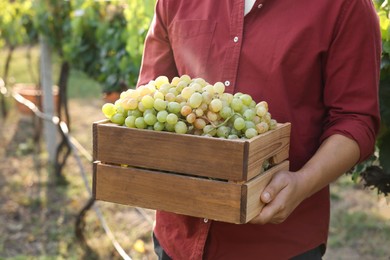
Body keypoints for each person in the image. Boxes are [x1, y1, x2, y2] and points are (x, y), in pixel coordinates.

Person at [136, 0, 382, 259]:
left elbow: (355, 119)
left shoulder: (345, 5)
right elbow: (151, 97)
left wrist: (302, 183)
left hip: (276, 244)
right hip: (177, 237)